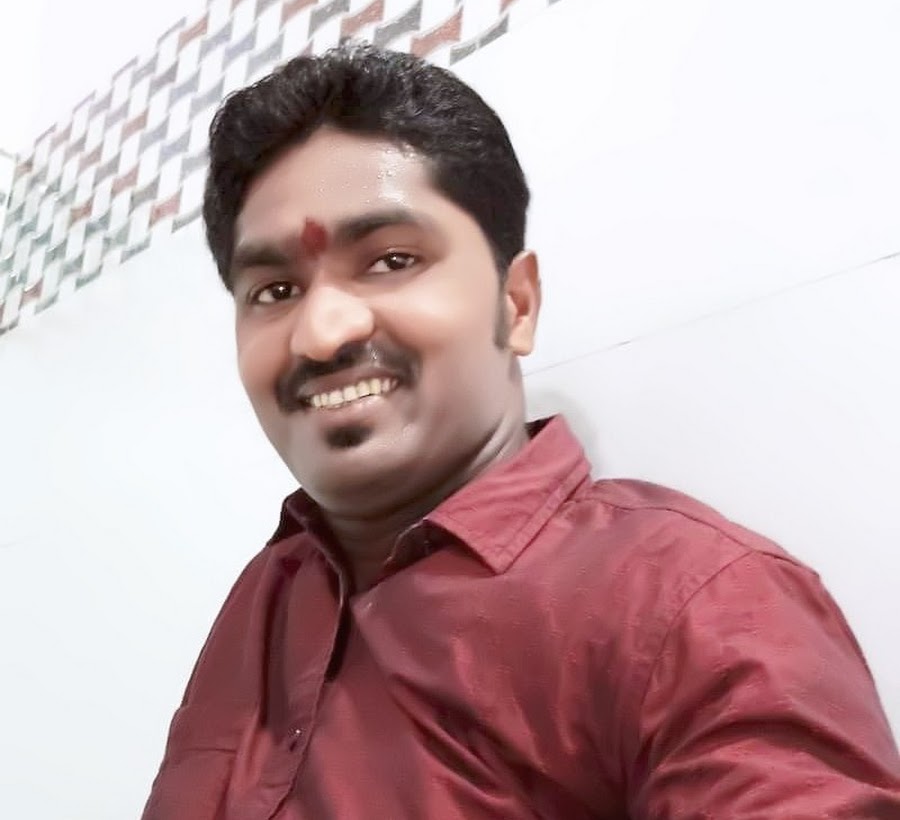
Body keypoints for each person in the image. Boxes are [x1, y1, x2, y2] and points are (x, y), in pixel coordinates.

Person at [142, 45, 900, 819]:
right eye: (274, 291)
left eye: (391, 260)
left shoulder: (692, 604)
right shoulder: (268, 593)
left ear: (518, 305)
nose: (321, 332)